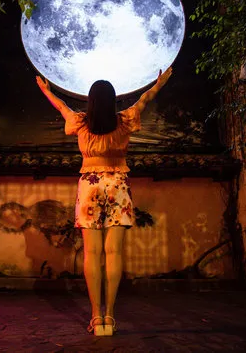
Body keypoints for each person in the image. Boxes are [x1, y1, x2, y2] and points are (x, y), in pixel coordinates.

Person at [36, 67, 173, 335]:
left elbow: (62, 107)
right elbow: (145, 99)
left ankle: (96, 317)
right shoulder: (124, 120)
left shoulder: (80, 122)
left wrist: (46, 91)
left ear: (91, 101)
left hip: (89, 184)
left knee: (92, 253)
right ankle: (110, 317)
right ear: (112, 101)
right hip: (118, 184)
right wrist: (159, 84)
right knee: (114, 253)